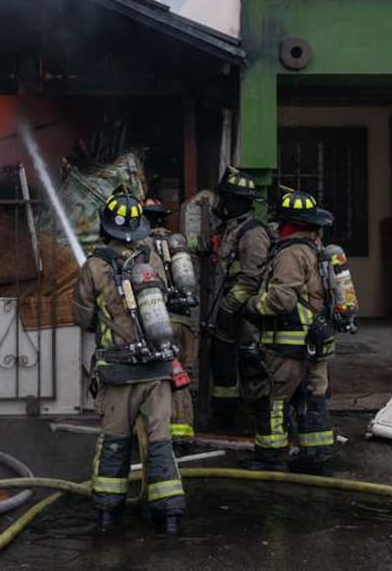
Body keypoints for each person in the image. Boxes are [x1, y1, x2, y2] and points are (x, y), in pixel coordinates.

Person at [72, 191, 186, 535]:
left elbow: (83, 316)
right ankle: (169, 517)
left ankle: (108, 515)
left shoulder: (94, 265)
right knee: (161, 443)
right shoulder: (150, 261)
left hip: (118, 371)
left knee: (115, 443)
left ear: (105, 227)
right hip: (157, 370)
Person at [241, 189, 344, 475]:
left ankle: (270, 457)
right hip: (315, 342)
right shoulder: (315, 250)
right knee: (313, 400)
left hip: (288, 345)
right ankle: (317, 457)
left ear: (287, 223)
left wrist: (251, 305)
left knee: (273, 400)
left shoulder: (291, 253)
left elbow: (282, 299)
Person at [209, 167, 273, 430]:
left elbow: (250, 278)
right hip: (228, 316)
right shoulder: (231, 229)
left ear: (239, 202)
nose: (222, 204)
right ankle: (225, 421)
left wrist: (229, 306)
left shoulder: (253, 233)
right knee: (222, 365)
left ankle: (258, 425)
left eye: (226, 198)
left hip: (246, 315)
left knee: (251, 367)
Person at [142, 197, 198, 439]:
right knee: (181, 376)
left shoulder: (141, 246)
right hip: (183, 322)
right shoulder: (177, 245)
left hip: (158, 322)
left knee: (158, 379)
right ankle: (183, 433)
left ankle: (161, 434)